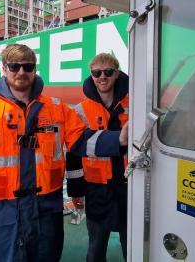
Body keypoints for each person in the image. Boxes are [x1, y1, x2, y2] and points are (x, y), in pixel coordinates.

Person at [0, 44, 128, 262]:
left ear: (34, 70)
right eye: (14, 66)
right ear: (4, 69)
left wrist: (118, 139)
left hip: (47, 207)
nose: (21, 72)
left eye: (27, 67)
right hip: (2, 211)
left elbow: (82, 140)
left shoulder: (56, 108)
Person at [66, 53, 129, 262]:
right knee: (96, 247)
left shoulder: (136, 103)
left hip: (130, 187)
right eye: (96, 73)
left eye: (108, 72)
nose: (102, 76)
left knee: (132, 244)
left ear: (117, 73)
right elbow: (74, 155)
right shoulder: (80, 110)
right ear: (91, 76)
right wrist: (76, 192)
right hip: (96, 189)